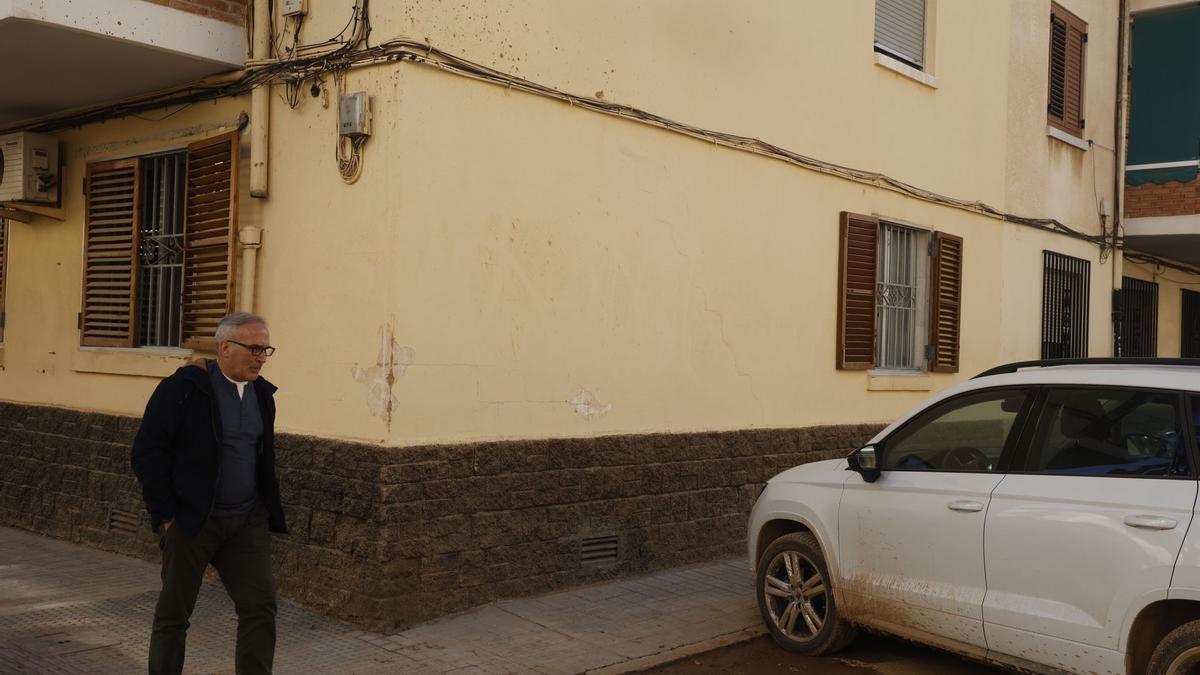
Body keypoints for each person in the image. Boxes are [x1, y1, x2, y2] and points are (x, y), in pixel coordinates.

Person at [131, 312, 288, 675]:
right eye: (253, 348)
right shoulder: (184, 389)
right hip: (192, 521)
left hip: (246, 523)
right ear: (225, 348)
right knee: (174, 615)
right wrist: (167, 515)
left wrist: (263, 511)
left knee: (260, 607)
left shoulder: (263, 394)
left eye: (266, 349)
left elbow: (260, 457)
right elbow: (147, 453)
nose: (261, 357)